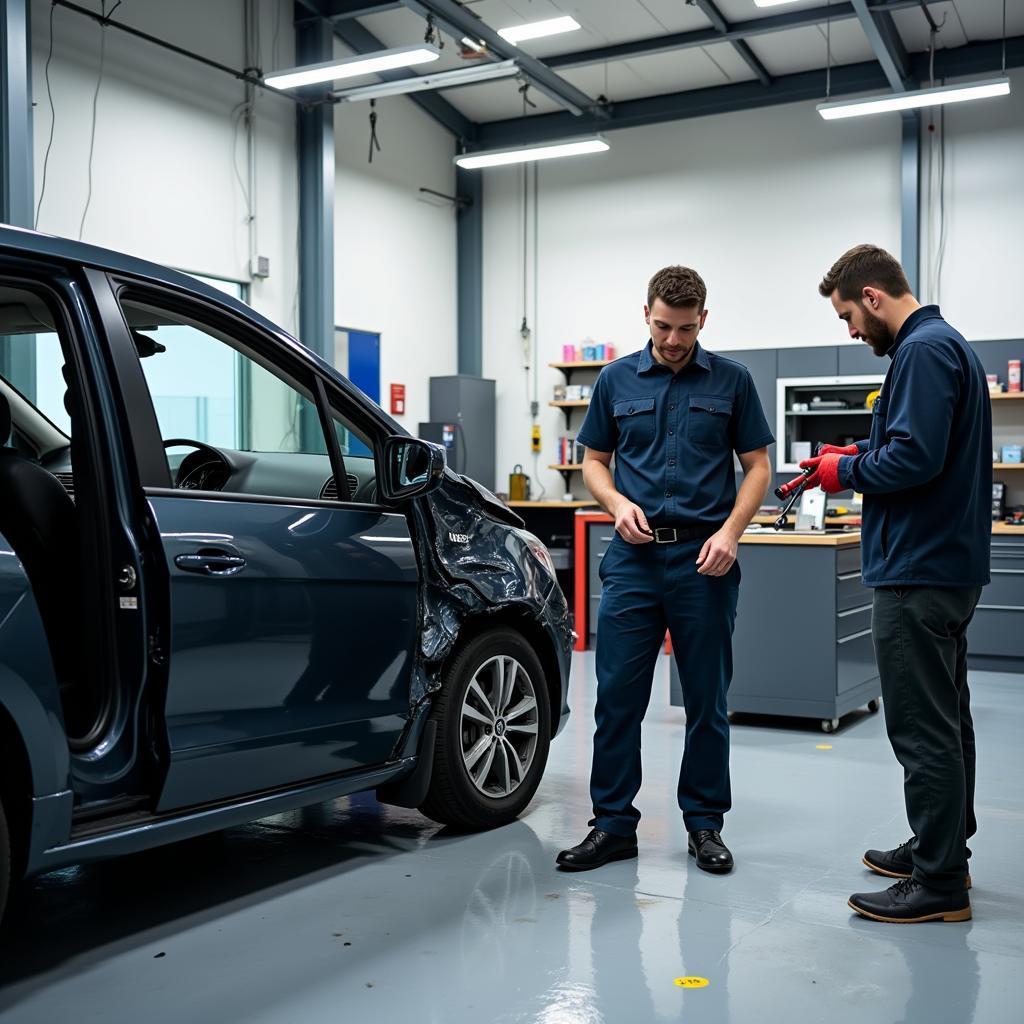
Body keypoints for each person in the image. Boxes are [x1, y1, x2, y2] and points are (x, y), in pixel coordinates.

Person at [556, 266, 773, 874]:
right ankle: (614, 825)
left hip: (706, 558)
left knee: (707, 698)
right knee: (617, 696)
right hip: (633, 559)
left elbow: (757, 467)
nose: (673, 340)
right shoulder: (614, 379)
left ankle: (704, 824)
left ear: (704, 318)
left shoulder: (733, 380)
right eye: (661, 326)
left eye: (684, 328)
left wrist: (731, 533)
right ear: (644, 314)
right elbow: (595, 460)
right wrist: (616, 503)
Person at [802, 244, 991, 923]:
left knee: (922, 728)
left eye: (849, 315)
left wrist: (841, 475)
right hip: (942, 565)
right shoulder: (945, 347)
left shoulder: (922, 351)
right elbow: (914, 445)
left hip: (920, 569)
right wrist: (851, 454)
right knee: (948, 718)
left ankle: (939, 882)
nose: (851, 331)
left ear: (874, 298)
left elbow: (914, 457)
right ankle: (943, 848)